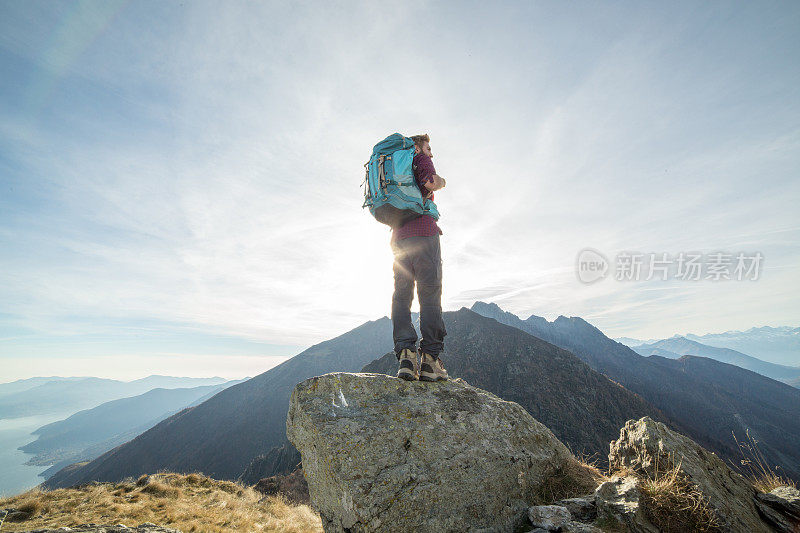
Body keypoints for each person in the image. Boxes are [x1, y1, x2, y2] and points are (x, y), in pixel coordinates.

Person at [391, 133, 449, 382]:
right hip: (424, 236)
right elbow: (430, 183)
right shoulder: (419, 159)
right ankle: (429, 361)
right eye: (428, 148)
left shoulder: (393, 166)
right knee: (430, 295)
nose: (431, 153)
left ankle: (405, 356)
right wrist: (442, 181)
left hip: (399, 239)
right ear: (417, 146)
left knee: (402, 294)